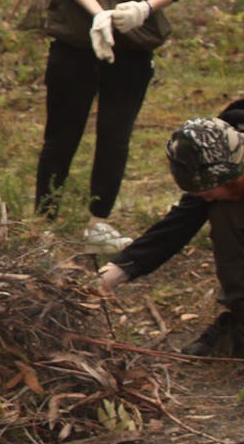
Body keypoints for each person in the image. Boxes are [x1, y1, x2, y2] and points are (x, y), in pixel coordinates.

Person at [34, 0, 188, 246]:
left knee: (116, 135)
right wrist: (98, 15)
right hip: (75, 41)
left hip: (133, 46)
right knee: (61, 134)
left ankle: (98, 221)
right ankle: (44, 223)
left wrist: (145, 9)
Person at [99, 108, 244, 356]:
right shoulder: (220, 143)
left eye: (212, 190)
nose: (206, 197)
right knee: (224, 212)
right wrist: (117, 271)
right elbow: (180, 223)